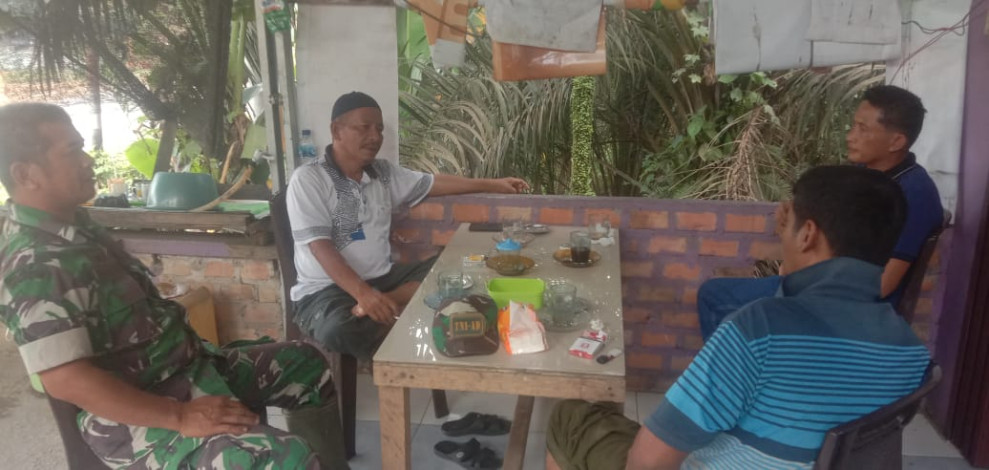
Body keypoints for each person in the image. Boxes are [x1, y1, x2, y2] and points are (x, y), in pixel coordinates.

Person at [0, 103, 349, 470]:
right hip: (137, 414)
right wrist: (180, 416)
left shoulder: (76, 227)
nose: (87, 161)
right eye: (72, 152)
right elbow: (64, 379)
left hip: (187, 370)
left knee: (305, 366)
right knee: (283, 459)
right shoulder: (35, 262)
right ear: (26, 174)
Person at [545, 165, 931, 470]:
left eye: (789, 225)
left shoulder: (760, 331)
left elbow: (646, 462)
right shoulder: (912, 354)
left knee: (571, 417)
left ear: (808, 235)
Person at [286, 91, 529, 360]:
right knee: (338, 329)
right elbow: (320, 247)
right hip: (325, 291)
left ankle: (385, 307)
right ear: (336, 130)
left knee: (448, 270)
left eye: (379, 129)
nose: (375, 137)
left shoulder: (383, 173)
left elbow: (434, 182)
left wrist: (494, 184)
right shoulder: (309, 179)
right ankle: (395, 334)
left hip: (382, 279)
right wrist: (363, 294)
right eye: (364, 127)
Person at [697, 85, 944, 339]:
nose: (850, 136)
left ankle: (748, 363)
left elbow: (883, 284)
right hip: (822, 281)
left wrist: (802, 277)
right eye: (853, 125)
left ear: (896, 141)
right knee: (716, 293)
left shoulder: (914, 193)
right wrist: (796, 220)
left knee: (721, 300)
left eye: (862, 128)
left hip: (848, 303)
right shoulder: (863, 176)